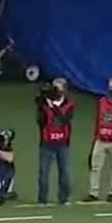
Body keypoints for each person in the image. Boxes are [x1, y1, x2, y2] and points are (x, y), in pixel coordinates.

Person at [35, 78, 74, 206]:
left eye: (58, 88)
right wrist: (42, 104)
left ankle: (63, 199)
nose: (55, 90)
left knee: (65, 173)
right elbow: (40, 121)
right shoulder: (44, 104)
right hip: (46, 144)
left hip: (62, 144)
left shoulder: (69, 105)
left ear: (64, 90)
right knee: (44, 173)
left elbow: (63, 120)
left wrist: (53, 107)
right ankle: (42, 199)